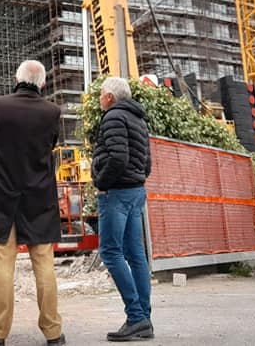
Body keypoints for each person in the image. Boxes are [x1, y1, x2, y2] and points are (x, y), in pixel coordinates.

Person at [0, 60, 67, 346]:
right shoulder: (52, 112)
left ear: (17, 78)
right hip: (38, 196)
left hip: (3, 196)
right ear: (43, 83)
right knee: (44, 263)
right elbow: (49, 147)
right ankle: (53, 333)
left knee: (4, 262)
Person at [92, 77, 154, 342]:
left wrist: (101, 182)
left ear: (110, 97)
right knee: (135, 254)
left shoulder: (113, 117)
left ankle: (136, 317)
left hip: (116, 192)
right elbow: (146, 163)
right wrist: (135, 179)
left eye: (101, 94)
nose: (99, 98)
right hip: (136, 191)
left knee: (111, 252)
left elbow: (118, 157)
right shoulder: (139, 120)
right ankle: (144, 318)